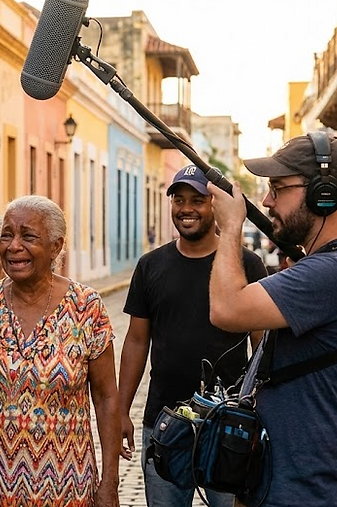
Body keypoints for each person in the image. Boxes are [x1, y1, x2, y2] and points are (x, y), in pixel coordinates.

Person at [206, 133, 337, 507]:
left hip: (309, 494)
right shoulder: (329, 266)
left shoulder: (335, 272)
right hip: (286, 488)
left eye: (279, 188)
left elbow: (226, 309)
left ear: (324, 195)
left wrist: (231, 228)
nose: (267, 201)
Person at [0, 195, 121, 507]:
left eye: (28, 236)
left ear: (55, 247)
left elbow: (106, 398)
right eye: (7, 235)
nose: (13, 246)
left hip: (67, 486)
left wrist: (110, 482)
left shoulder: (86, 307)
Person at [120, 165, 266, 507]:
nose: (186, 208)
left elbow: (262, 348)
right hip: (165, 421)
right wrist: (122, 410)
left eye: (197, 200)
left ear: (215, 205)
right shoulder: (150, 266)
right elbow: (137, 341)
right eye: (179, 200)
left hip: (230, 424)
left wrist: (263, 414)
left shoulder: (248, 264)